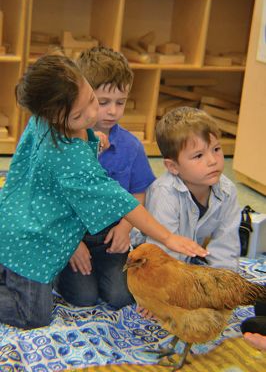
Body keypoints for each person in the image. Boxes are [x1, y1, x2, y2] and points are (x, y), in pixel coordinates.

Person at [0, 55, 207, 329]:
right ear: (52, 115)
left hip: (14, 217)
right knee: (33, 315)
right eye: (79, 115)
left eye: (91, 100)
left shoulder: (42, 121)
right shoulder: (69, 156)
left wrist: (92, 139)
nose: (93, 114)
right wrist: (167, 237)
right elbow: (121, 201)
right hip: (33, 242)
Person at [57, 47, 156, 308]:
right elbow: (54, 199)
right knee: (84, 298)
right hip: (72, 236)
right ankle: (59, 271)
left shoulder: (132, 146)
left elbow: (138, 192)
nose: (112, 111)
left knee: (121, 297)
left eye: (120, 102)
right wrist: (72, 244)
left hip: (111, 237)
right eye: (103, 102)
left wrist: (125, 228)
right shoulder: (66, 143)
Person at [142, 106, 241, 271]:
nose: (212, 161)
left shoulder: (227, 190)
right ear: (173, 166)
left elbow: (226, 245)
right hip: (160, 260)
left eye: (216, 149)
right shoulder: (164, 193)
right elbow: (163, 255)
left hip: (190, 257)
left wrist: (224, 281)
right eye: (198, 155)